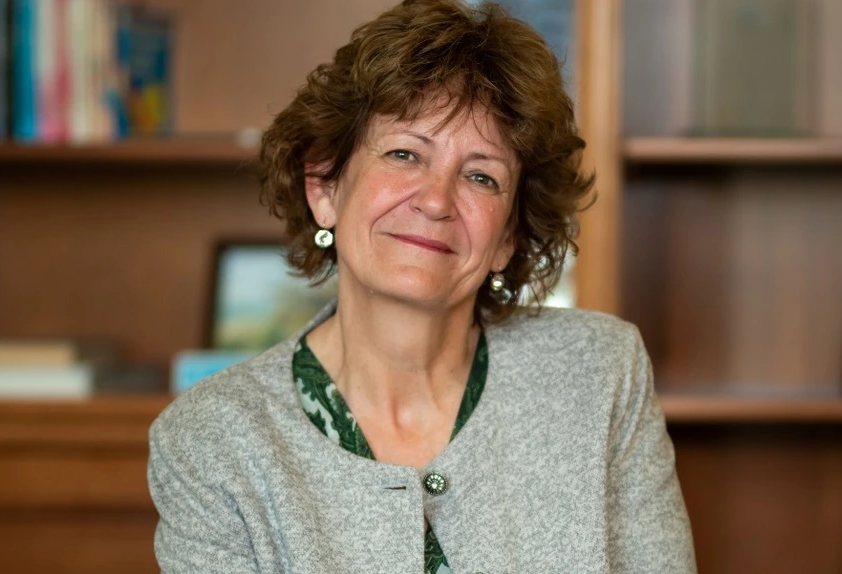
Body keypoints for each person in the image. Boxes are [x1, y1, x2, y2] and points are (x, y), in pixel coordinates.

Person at [147, 0, 696, 572]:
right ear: (325, 188)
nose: (436, 201)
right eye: (404, 153)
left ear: (508, 236)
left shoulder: (599, 374)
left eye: (481, 176)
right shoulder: (210, 441)